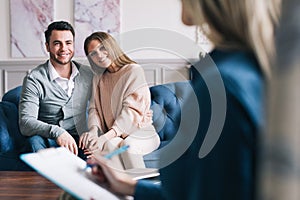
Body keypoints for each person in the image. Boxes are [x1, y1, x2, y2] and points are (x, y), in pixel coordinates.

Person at [85, 0, 281, 199]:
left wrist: (107, 136)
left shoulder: (223, 87)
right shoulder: (249, 72)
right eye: (93, 53)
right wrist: (129, 187)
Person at [78, 32, 160, 170]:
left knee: (128, 147)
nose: (99, 55)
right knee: (108, 147)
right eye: (93, 53)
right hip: (115, 134)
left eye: (102, 48)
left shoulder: (133, 71)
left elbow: (131, 112)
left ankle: (140, 188)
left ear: (111, 46)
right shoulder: (98, 78)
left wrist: (104, 138)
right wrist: (93, 131)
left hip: (142, 133)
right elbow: (94, 109)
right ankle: (116, 190)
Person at [19, 21, 93, 159]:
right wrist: (57, 132)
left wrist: (94, 134)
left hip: (80, 139)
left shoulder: (88, 75)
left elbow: (104, 107)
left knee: (99, 152)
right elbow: (26, 122)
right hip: (48, 138)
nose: (64, 48)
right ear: (47, 46)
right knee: (33, 142)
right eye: (57, 43)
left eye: (68, 43)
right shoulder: (34, 79)